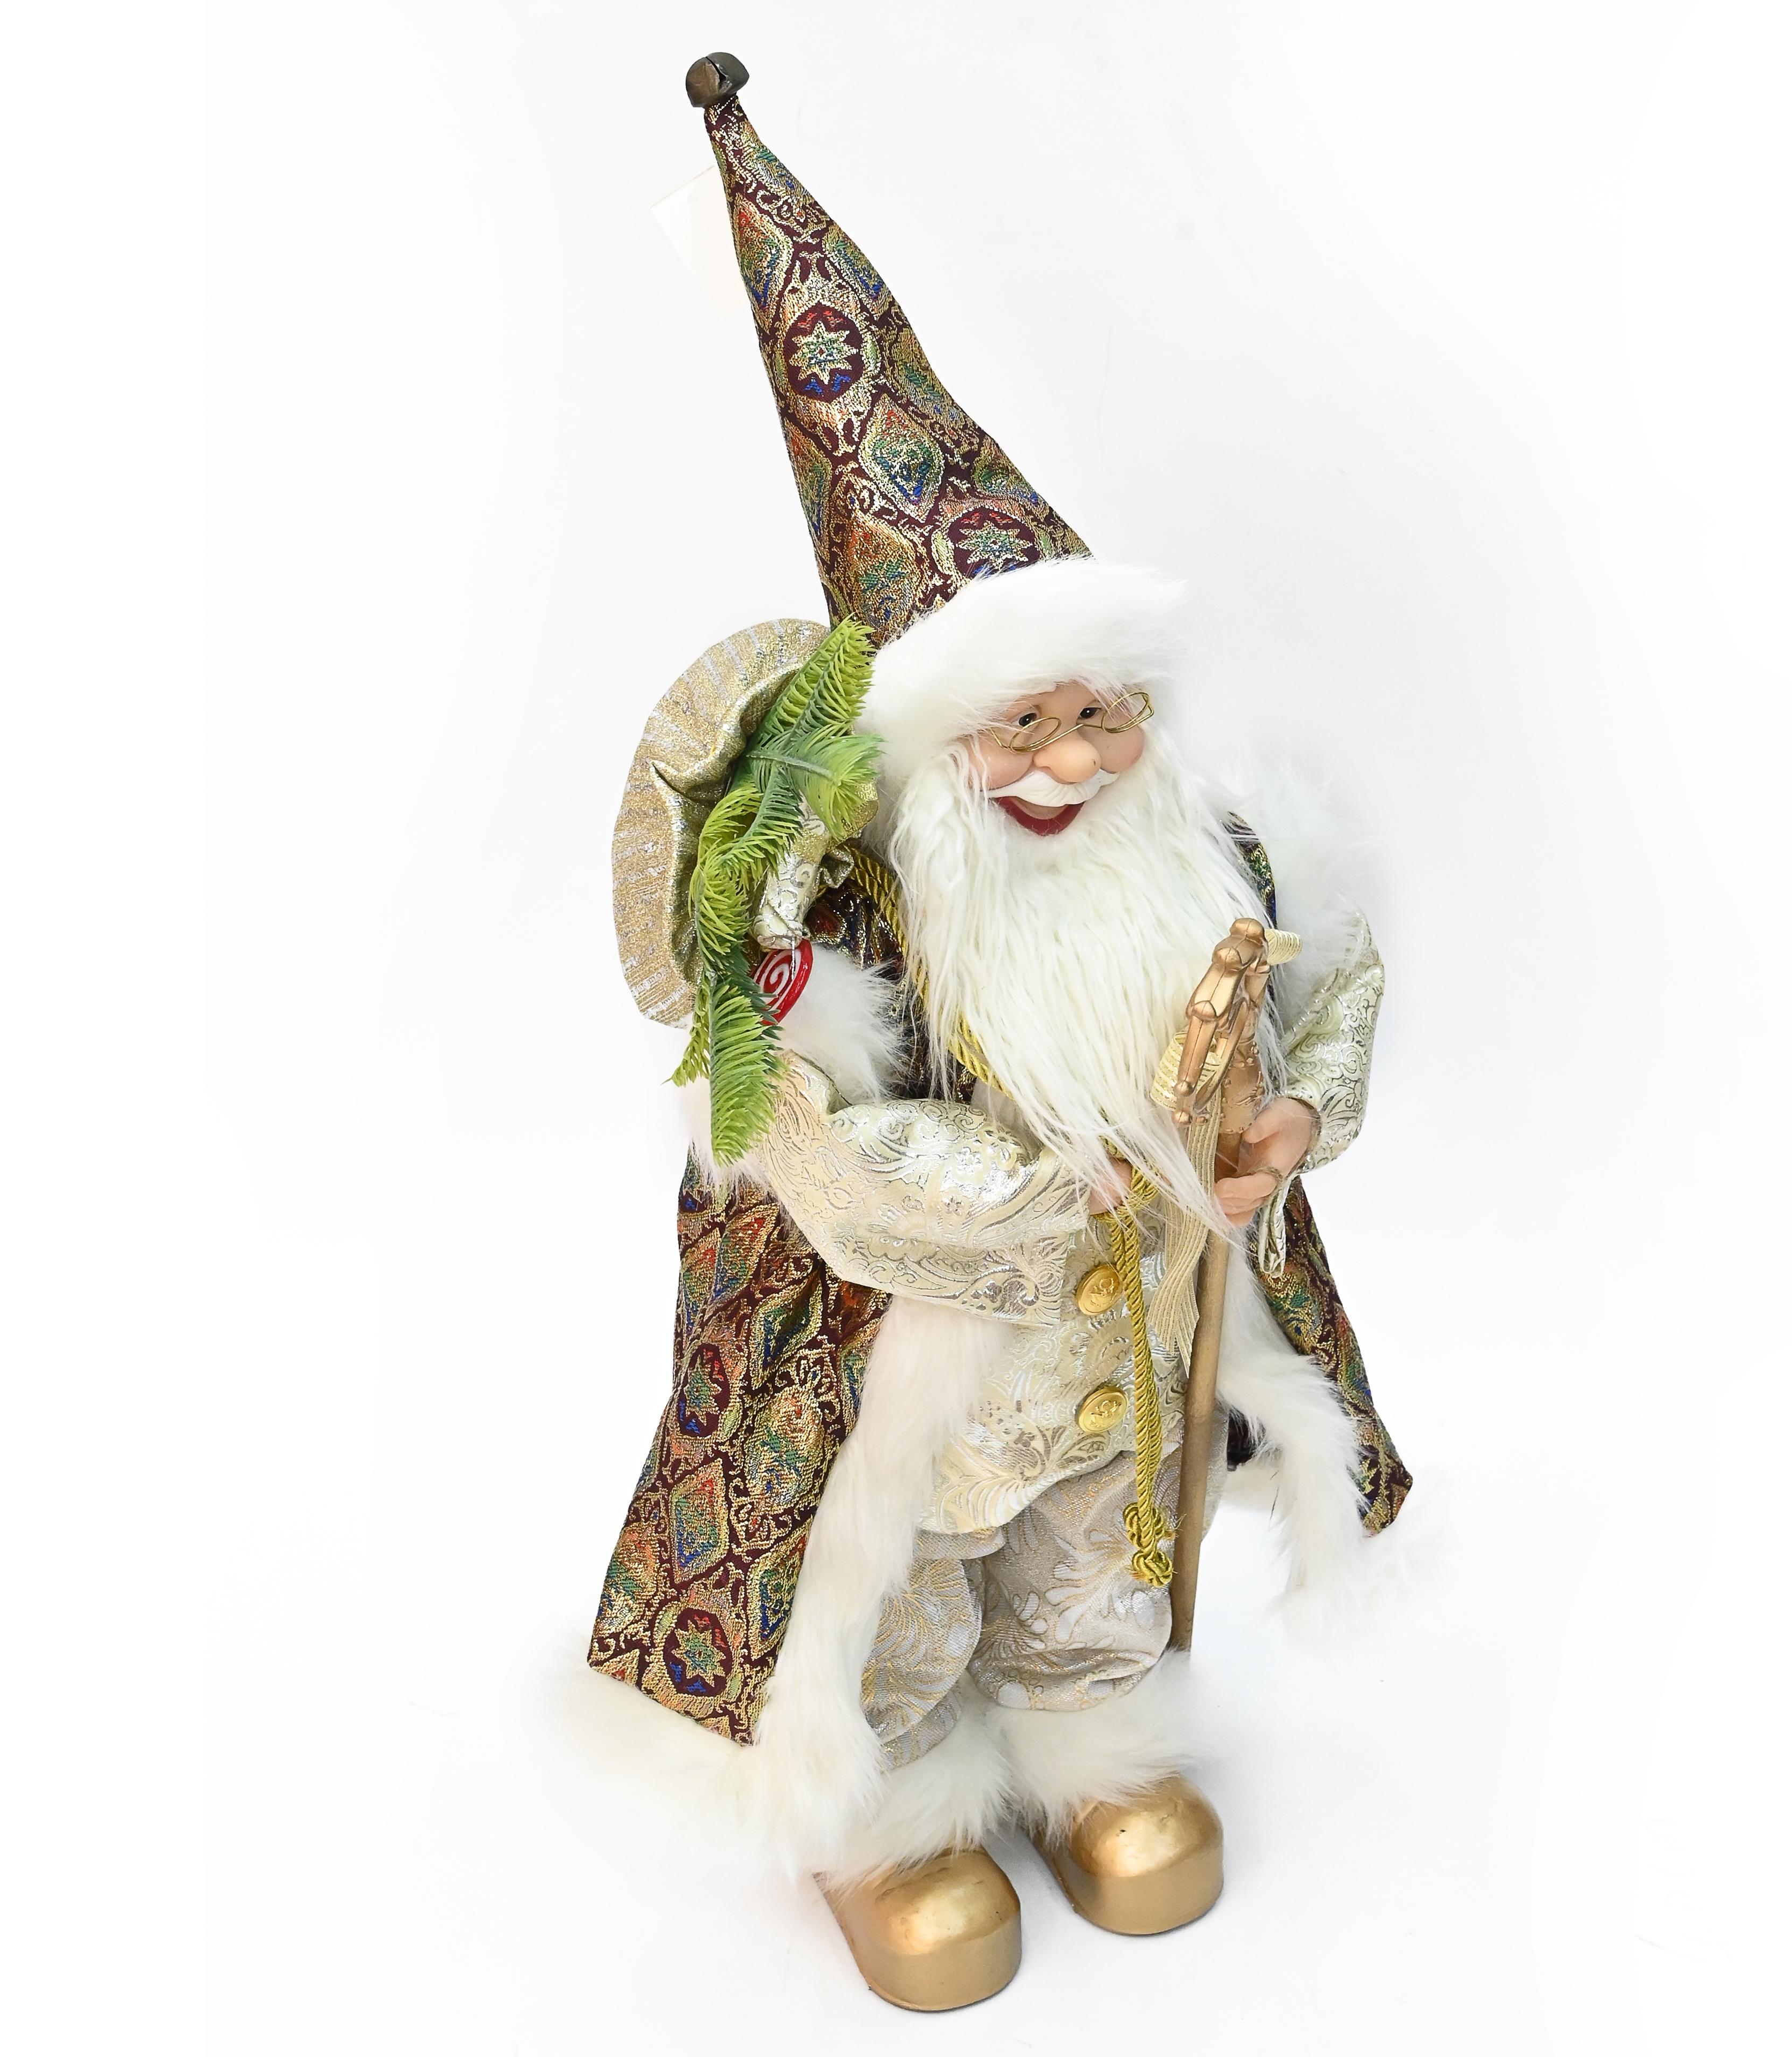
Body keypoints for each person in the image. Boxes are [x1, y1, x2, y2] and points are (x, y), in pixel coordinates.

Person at [588, 52, 1411, 2011]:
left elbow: (1324, 987)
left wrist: (1285, 1120)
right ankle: (898, 1813)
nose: (1066, 762)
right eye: (1015, 726)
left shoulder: (1201, 861)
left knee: (1094, 1566)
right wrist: (1050, 1187)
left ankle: (1089, 1743)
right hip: (928, 1360)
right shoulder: (854, 917)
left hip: (1122, 1358)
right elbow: (812, 1143)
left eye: (1098, 717)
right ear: (932, 742)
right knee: (913, 1585)